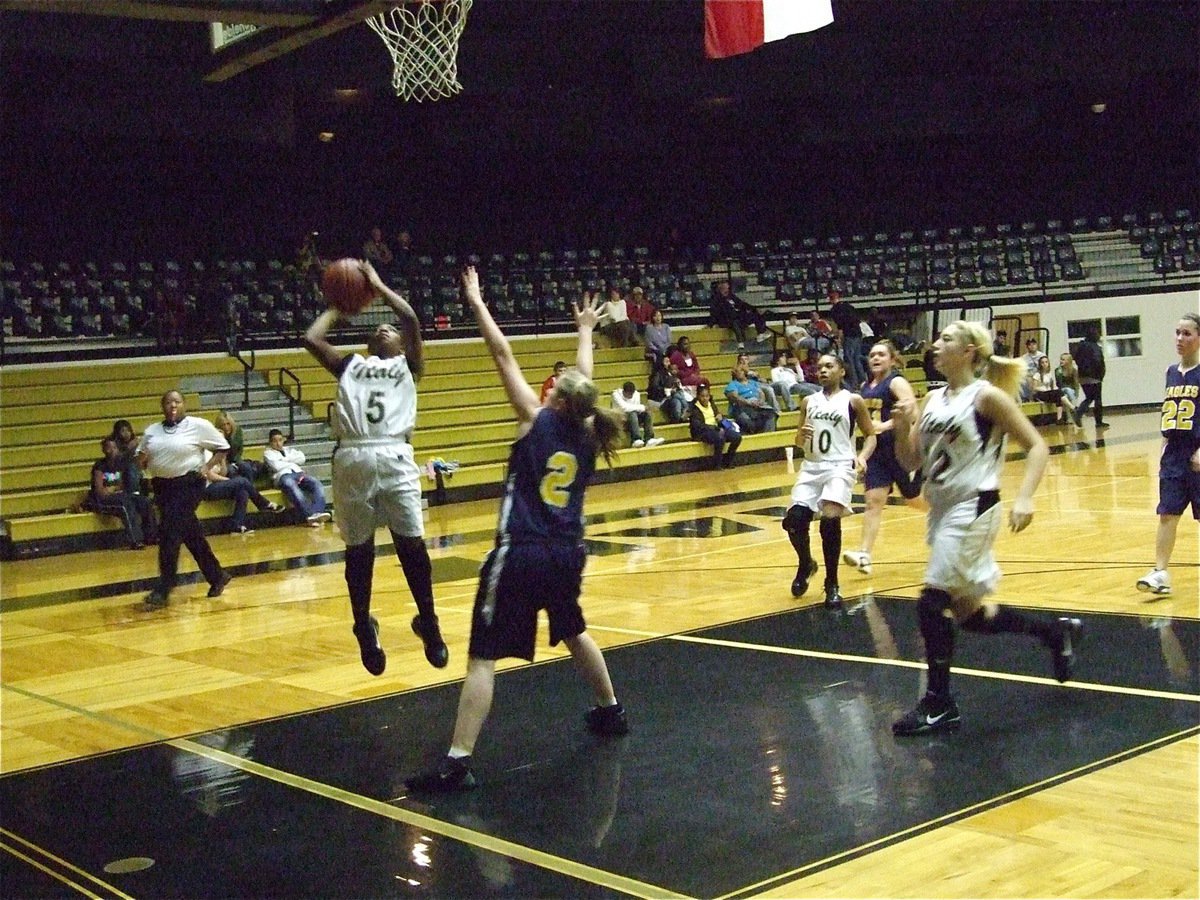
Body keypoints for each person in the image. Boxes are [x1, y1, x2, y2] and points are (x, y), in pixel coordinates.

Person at [405, 268, 628, 793]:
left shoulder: (535, 417)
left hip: (521, 550)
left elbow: (503, 354)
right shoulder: (591, 432)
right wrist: (584, 333)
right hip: (568, 552)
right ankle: (610, 710)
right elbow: (583, 379)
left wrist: (478, 302)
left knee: (483, 656)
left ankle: (458, 761)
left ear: (554, 398)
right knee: (573, 628)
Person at [889, 320, 1082, 736]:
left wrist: (1026, 496)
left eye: (946, 339)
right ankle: (1054, 632)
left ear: (970, 352)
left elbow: (1036, 445)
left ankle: (939, 703)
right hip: (942, 509)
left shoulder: (986, 397)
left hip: (975, 505)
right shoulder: (934, 397)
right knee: (969, 614)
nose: (935, 345)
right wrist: (904, 425)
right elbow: (909, 463)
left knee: (930, 600)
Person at [302, 259, 448, 675]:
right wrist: (339, 303)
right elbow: (311, 337)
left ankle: (429, 622)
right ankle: (363, 626)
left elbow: (410, 317)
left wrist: (378, 286)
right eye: (378, 329)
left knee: (412, 546)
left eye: (392, 332)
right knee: (358, 551)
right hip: (353, 455)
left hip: (395, 453)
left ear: (402, 345)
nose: (386, 329)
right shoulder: (350, 364)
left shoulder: (409, 366)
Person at [782, 354, 874, 608]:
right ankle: (806, 563)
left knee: (830, 520)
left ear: (842, 371)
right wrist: (801, 434)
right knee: (794, 521)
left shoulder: (853, 401)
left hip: (839, 466)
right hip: (812, 468)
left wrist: (863, 456)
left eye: (829, 366)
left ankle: (832, 583)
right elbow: (798, 442)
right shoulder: (808, 401)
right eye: (819, 367)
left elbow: (870, 435)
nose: (823, 370)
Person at [137, 390, 234, 608]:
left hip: (189, 483)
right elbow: (141, 458)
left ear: (184, 405)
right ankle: (217, 575)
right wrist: (142, 462)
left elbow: (223, 447)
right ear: (162, 406)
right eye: (168, 402)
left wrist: (207, 467)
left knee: (169, 532)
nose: (173, 405)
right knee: (191, 534)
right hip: (163, 486)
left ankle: (165, 586)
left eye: (177, 402)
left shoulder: (197, 425)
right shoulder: (152, 430)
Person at [845, 340, 922, 576]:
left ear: (891, 359)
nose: (876, 358)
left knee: (914, 500)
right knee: (873, 502)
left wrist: (886, 424)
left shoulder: (896, 381)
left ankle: (950, 519)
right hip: (878, 453)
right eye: (872, 355)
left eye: (881, 355)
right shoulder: (865, 386)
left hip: (900, 449)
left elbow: (913, 412)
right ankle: (865, 555)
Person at [1136, 312, 1200, 596]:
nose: (1180, 338)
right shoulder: (1170, 372)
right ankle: (1160, 572)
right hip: (1173, 455)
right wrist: (1163, 443)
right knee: (1167, 515)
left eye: (1187, 333)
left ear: (1199, 338)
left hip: (1197, 453)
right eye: (1177, 332)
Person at [87, 435, 157, 549]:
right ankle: (136, 540)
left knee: (144, 502)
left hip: (119, 495)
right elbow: (100, 491)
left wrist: (114, 489)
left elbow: (122, 486)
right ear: (104, 450)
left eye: (114, 448)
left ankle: (151, 536)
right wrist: (113, 490)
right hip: (102, 500)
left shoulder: (121, 464)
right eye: (109, 448)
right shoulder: (99, 465)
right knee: (126, 505)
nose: (112, 451)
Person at [201, 451, 284, 534]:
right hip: (206, 488)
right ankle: (264, 504)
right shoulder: (204, 454)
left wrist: (223, 459)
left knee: (243, 492)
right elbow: (210, 475)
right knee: (242, 481)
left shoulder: (215, 453)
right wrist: (231, 481)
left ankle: (237, 525)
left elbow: (223, 473)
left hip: (218, 485)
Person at [262, 428, 330, 525]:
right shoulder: (268, 453)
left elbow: (302, 458)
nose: (278, 443)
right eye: (275, 441)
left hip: (299, 473)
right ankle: (309, 514)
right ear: (270, 442)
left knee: (317, 484)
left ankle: (317, 513)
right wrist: (291, 461)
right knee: (292, 487)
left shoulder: (289, 450)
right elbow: (276, 466)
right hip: (283, 476)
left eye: (280, 440)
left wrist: (283, 460)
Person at [689, 383, 741, 469]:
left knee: (737, 437)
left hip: (716, 428)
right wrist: (715, 428)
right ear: (698, 396)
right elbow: (697, 425)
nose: (705, 398)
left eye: (707, 396)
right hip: (702, 432)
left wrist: (724, 421)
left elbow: (718, 416)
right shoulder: (694, 408)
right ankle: (717, 463)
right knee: (720, 437)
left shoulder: (712, 404)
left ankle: (728, 461)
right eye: (702, 396)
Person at [709, 280, 769, 347]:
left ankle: (761, 333)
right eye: (726, 288)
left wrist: (754, 309)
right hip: (726, 320)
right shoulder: (717, 299)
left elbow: (741, 304)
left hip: (738, 316)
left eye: (728, 288)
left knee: (756, 314)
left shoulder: (731, 296)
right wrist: (713, 323)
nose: (727, 289)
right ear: (721, 289)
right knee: (735, 321)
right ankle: (740, 342)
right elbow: (714, 312)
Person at [827, 292, 866, 389]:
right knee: (857, 359)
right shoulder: (848, 306)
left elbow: (840, 326)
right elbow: (857, 319)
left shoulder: (835, 310)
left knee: (849, 359)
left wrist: (839, 339)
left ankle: (854, 383)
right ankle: (863, 381)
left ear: (830, 300)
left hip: (849, 334)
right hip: (858, 333)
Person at [1072, 325, 1108, 428]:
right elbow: (1098, 361)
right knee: (1097, 399)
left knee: (1089, 398)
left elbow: (1076, 358)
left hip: (1082, 376)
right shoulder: (1095, 347)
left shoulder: (1080, 346)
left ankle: (1078, 413)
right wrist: (1101, 374)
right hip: (1094, 376)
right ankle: (1098, 421)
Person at [724, 366, 777, 434]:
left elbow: (761, 393)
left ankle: (767, 435)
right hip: (742, 406)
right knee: (746, 420)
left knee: (771, 414)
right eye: (736, 372)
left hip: (757, 404)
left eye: (741, 371)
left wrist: (761, 401)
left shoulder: (752, 382)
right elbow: (734, 396)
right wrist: (748, 402)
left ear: (744, 372)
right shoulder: (733, 384)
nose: (739, 373)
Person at [611, 381, 664, 448]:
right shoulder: (616, 395)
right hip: (620, 420)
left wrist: (643, 409)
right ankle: (635, 439)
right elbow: (624, 408)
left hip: (633, 419)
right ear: (623, 392)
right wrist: (643, 407)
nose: (630, 396)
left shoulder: (636, 395)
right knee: (632, 413)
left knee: (647, 413)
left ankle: (649, 438)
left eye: (631, 394)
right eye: (628, 394)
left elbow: (637, 410)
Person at [213, 410, 262, 483]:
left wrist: (236, 462)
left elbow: (239, 450)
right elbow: (218, 453)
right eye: (223, 425)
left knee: (246, 467)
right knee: (231, 470)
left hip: (235, 459)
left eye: (228, 424)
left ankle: (250, 488)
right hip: (221, 462)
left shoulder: (237, 432)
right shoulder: (216, 435)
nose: (226, 427)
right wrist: (222, 438)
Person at [1028, 354, 1077, 426]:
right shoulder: (1037, 374)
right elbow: (1034, 388)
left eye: (1046, 362)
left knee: (1058, 394)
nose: (1045, 364)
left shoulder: (1049, 374)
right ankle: (1072, 408)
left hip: (1049, 393)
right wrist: (1043, 388)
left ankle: (1059, 419)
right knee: (1058, 394)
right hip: (1040, 394)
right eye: (1043, 362)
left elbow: (1053, 386)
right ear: (1040, 364)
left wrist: (1056, 389)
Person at [647, 357, 690, 424]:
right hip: (663, 399)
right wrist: (668, 391)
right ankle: (684, 412)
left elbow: (679, 388)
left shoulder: (676, 377)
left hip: (674, 397)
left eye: (669, 361)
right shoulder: (658, 374)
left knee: (677, 399)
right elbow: (655, 388)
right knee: (676, 398)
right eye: (666, 362)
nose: (668, 363)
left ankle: (679, 418)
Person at [110, 418, 145, 497]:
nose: (126, 433)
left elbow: (140, 461)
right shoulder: (113, 444)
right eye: (123, 431)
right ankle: (133, 494)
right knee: (130, 467)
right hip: (116, 473)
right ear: (117, 433)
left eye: (128, 431)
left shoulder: (135, 442)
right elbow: (115, 460)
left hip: (134, 473)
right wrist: (128, 449)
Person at [1019, 337, 1042, 401]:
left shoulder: (1042, 356)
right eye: (1030, 345)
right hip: (1028, 376)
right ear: (1027, 347)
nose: (1032, 346)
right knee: (1025, 380)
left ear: (1036, 345)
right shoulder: (1024, 358)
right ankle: (1029, 399)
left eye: (1033, 344)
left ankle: (1035, 397)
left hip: (1040, 375)